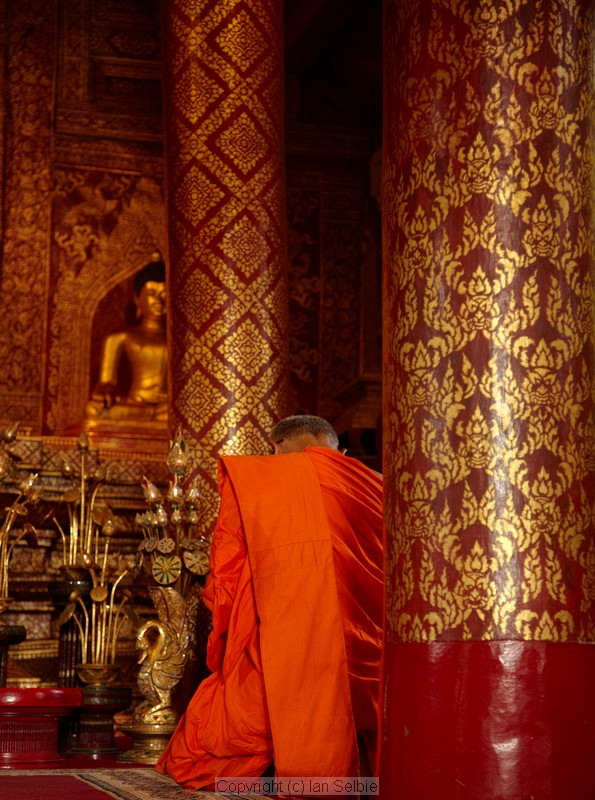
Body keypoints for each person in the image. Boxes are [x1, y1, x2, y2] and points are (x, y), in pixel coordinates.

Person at [156, 415, 384, 791]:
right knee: (357, 695)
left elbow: (227, 557)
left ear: (277, 447)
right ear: (335, 448)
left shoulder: (261, 477)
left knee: (252, 699)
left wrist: (226, 603)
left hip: (282, 622)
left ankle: (286, 770)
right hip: (366, 634)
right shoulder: (372, 482)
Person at [85, 255, 167, 422]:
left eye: (164, 294)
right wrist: (103, 393)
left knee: (173, 414)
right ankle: (152, 416)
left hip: (166, 407)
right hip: (134, 406)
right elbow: (107, 382)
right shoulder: (121, 338)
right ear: (137, 299)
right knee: (93, 411)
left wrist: (170, 399)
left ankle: (157, 415)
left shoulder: (180, 343)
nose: (159, 300)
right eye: (152, 293)